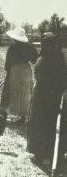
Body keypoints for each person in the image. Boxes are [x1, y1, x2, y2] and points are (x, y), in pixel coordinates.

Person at [27, 32, 66, 165]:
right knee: (42, 124)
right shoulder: (43, 59)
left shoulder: (57, 58)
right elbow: (41, 77)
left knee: (51, 124)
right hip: (44, 97)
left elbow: (64, 76)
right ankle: (43, 154)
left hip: (52, 96)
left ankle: (53, 153)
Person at [1, 27, 38, 124]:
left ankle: (4, 114)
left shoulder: (12, 48)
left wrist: (8, 72)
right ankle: (23, 116)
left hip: (15, 71)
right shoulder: (29, 47)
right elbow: (35, 60)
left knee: (12, 91)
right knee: (25, 93)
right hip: (26, 71)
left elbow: (7, 64)